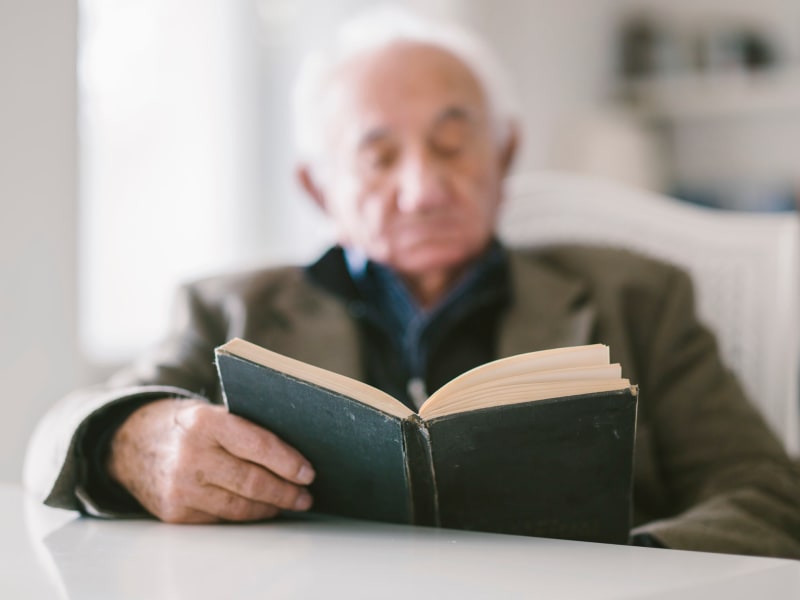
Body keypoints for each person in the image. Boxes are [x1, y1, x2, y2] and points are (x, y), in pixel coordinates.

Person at [25, 6, 800, 557]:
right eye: (379, 156)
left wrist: (630, 568)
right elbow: (60, 434)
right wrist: (132, 442)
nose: (424, 188)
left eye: (455, 144)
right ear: (318, 187)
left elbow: (767, 494)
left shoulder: (639, 297)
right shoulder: (228, 309)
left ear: (504, 155)